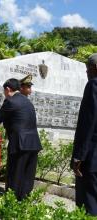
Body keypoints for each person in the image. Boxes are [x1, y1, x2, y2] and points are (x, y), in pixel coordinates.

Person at [0, 78, 41, 201]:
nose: (4, 94)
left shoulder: (10, 101)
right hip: (33, 144)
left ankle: (10, 207)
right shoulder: (28, 102)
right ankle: (24, 205)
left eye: (4, 91)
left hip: (19, 145)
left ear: (7, 89)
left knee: (14, 177)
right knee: (27, 178)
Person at [71, 53, 97, 216]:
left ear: (94, 68)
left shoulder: (93, 85)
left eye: (88, 68)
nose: (86, 72)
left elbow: (88, 123)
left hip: (92, 157)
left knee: (89, 204)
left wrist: (78, 157)